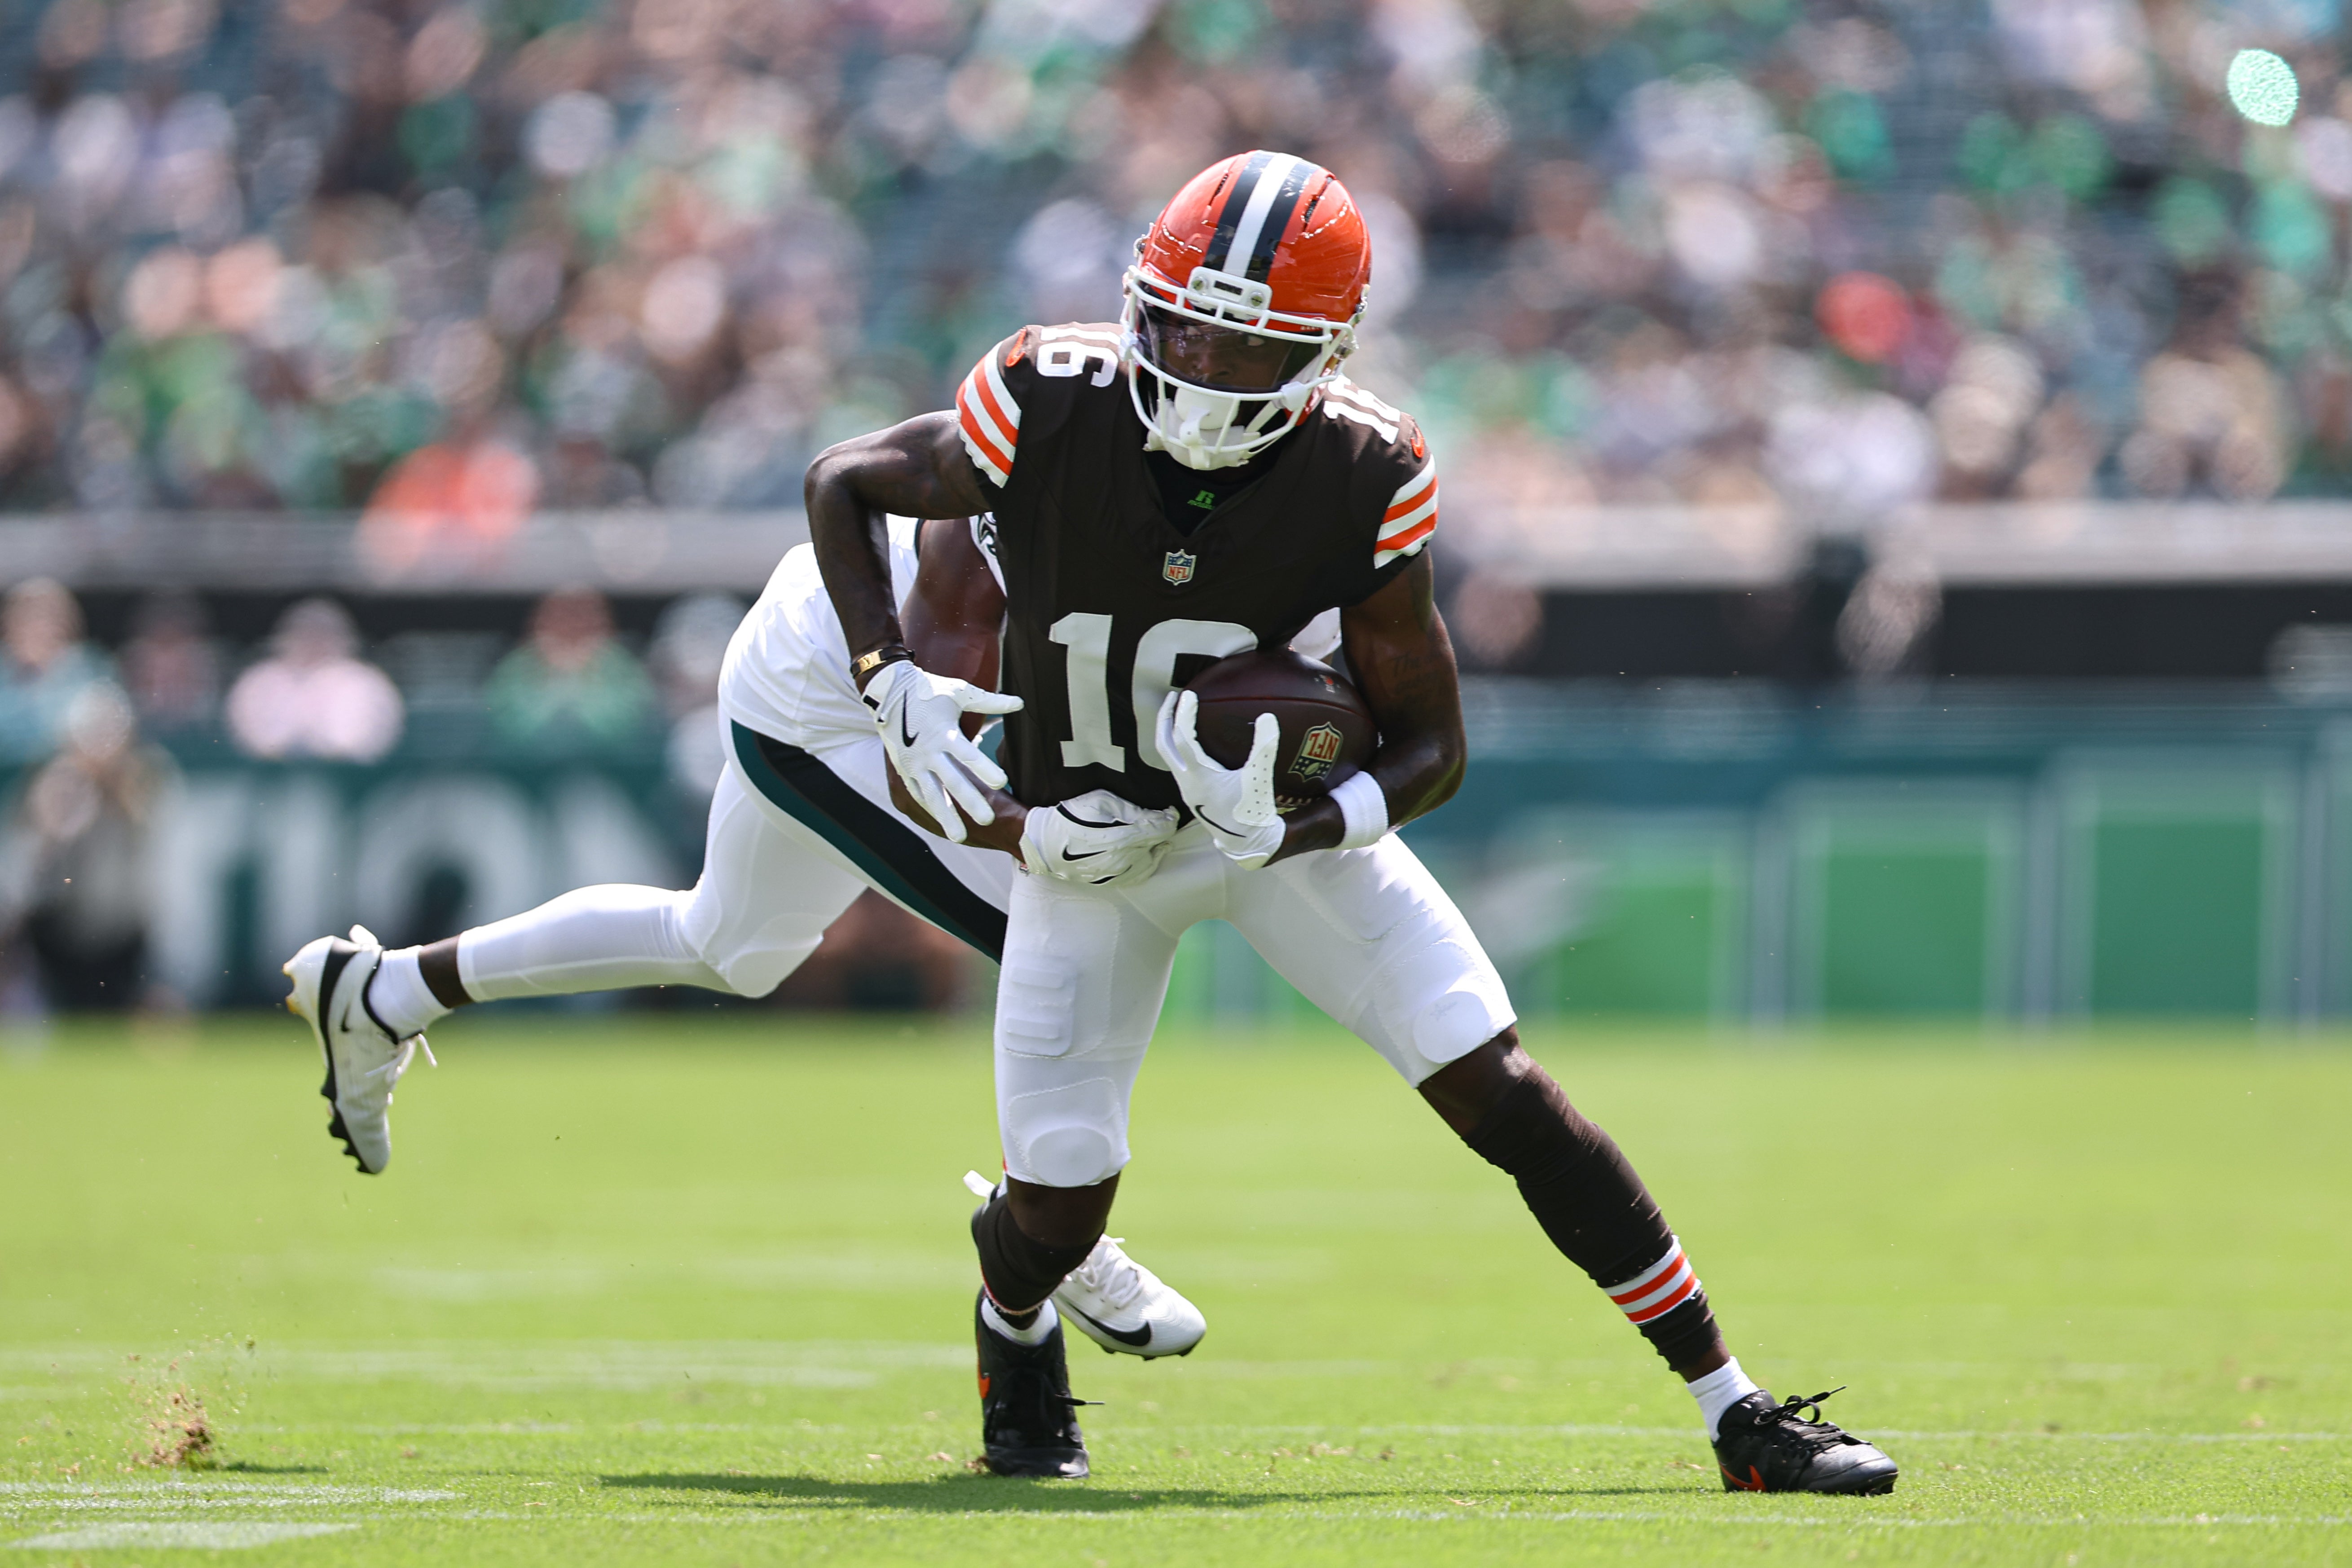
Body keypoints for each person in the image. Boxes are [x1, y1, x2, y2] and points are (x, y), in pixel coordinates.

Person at [805, 150, 1899, 1492]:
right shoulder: (1044, 394)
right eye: (1185, 324)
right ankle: (1014, 1309)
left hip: (1269, 827)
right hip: (1087, 844)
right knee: (1058, 1203)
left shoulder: (1364, 466)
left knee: (1502, 1091)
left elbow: (1433, 742)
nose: (1204, 364)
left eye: (1247, 343)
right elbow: (844, 480)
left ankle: (1739, 1415)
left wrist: (1304, 831)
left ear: (1318, 357)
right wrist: (893, 685)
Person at [277, 515, 1212, 1364]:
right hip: (833, 688)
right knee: (1058, 933)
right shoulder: (1065, 437)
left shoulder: (1191, 483)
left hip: (838, 644)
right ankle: (1055, 1225)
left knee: (732, 946)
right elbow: (873, 519)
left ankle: (384, 992)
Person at [225, 598, 404, 763]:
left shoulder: (364, 680)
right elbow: (246, 737)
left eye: (323, 634)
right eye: (305, 634)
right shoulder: (261, 679)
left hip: (346, 776)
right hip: (269, 777)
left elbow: (376, 739)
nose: (314, 642)